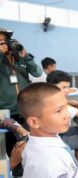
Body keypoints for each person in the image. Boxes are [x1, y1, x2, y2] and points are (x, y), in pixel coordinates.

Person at [18, 82, 78, 178]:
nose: (67, 115)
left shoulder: (50, 136)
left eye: (66, 107)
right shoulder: (48, 165)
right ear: (34, 122)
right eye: (58, 110)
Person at [0, 28, 42, 176]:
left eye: (4, 42)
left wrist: (25, 54)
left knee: (31, 143)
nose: (3, 45)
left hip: (26, 110)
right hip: (6, 113)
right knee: (13, 148)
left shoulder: (20, 58)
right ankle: (18, 172)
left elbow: (37, 72)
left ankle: (31, 169)